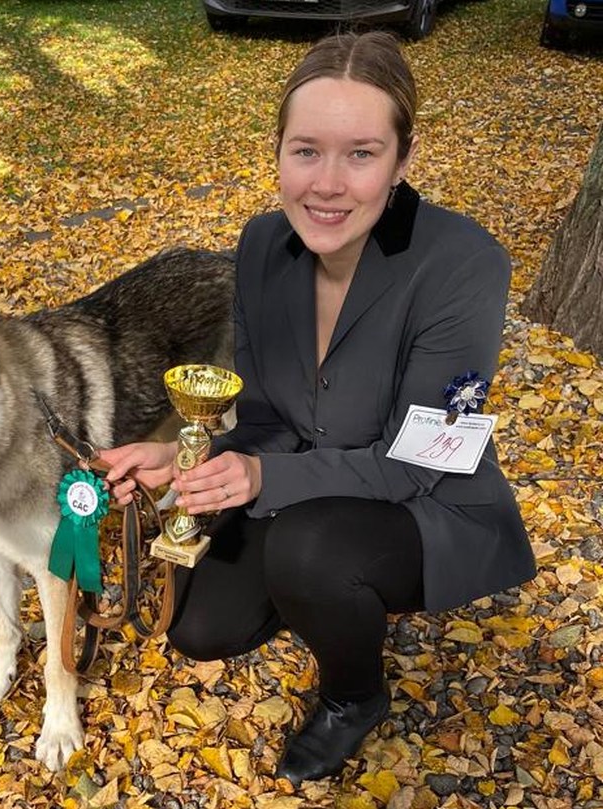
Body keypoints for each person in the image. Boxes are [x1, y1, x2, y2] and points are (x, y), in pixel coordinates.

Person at [98, 30, 535, 785]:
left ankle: (354, 695)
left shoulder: (465, 265)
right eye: (306, 150)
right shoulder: (264, 246)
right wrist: (187, 457)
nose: (327, 183)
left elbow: (422, 459)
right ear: (278, 152)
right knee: (202, 631)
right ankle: (326, 592)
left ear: (403, 158)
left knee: (309, 550)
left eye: (361, 153)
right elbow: (267, 417)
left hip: (431, 503)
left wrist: (262, 483)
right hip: (306, 479)